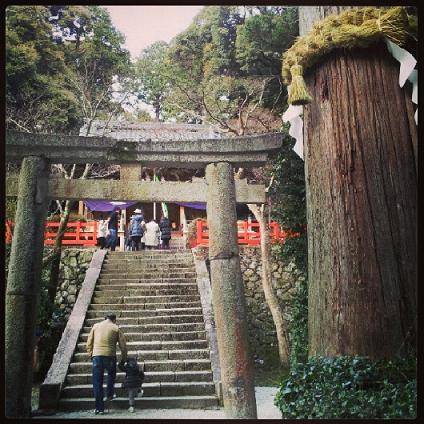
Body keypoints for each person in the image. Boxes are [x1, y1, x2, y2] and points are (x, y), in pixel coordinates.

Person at [86, 313, 128, 415]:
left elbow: (89, 342)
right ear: (114, 319)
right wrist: (124, 359)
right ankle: (109, 394)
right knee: (111, 374)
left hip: (97, 357)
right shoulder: (116, 328)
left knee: (97, 383)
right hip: (110, 356)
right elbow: (123, 346)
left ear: (105, 318)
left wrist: (91, 355)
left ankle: (99, 408)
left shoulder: (96, 326)